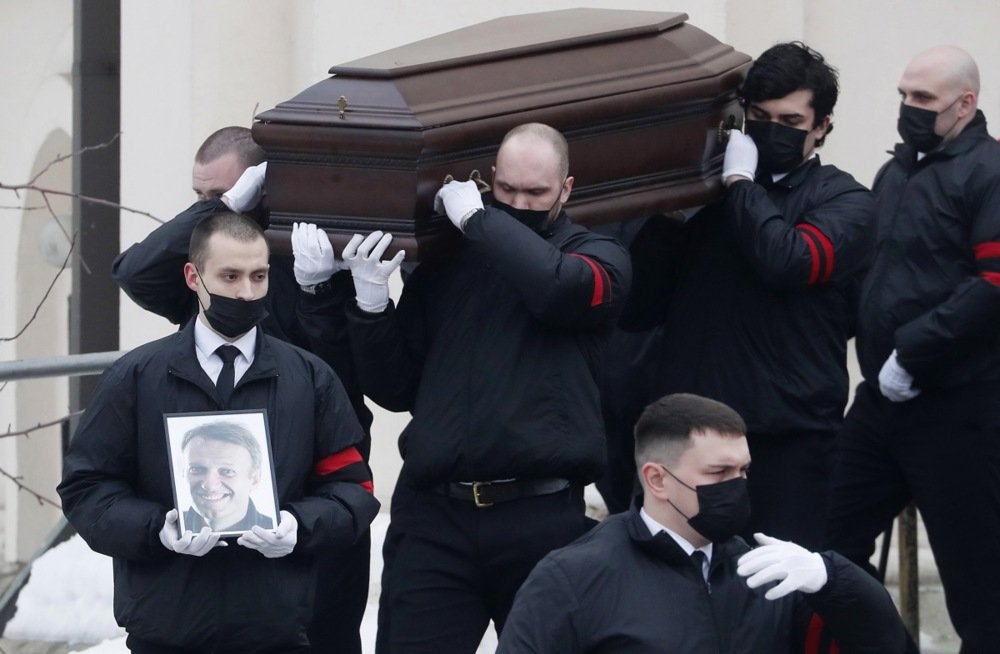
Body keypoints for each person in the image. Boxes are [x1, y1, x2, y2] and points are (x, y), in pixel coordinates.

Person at [340, 122, 631, 653]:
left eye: (536, 193)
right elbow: (398, 389)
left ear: (566, 190)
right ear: (490, 180)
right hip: (435, 518)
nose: (519, 203)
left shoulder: (598, 258)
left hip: (542, 519)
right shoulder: (449, 263)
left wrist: (479, 219)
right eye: (507, 191)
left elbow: (554, 288)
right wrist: (371, 306)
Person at [58, 212, 380, 653]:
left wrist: (298, 526)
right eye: (229, 276)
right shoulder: (136, 377)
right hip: (167, 629)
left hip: (279, 630)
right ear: (193, 276)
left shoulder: (309, 378)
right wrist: (157, 529)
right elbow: (86, 488)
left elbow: (353, 489)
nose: (247, 292)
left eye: (258, 276)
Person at [620, 42, 874, 549]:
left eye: (790, 119)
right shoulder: (710, 198)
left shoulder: (846, 201)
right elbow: (637, 308)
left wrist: (741, 184)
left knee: (780, 597)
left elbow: (787, 260)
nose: (771, 129)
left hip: (787, 441)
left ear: (821, 125)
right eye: (759, 116)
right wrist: (670, 216)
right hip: (689, 437)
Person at [497, 393, 911, 653]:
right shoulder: (573, 577)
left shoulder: (769, 574)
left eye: (743, 471)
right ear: (657, 479)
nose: (736, 485)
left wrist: (832, 579)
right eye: (718, 473)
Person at [824, 45, 1000, 652]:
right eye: (903, 95)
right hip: (880, 405)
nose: (908, 108)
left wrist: (913, 354)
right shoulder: (896, 172)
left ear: (965, 104)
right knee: (830, 545)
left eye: (922, 99)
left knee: (978, 582)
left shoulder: (990, 173)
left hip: (959, 411)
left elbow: (995, 284)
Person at [181, 420, 274, 533]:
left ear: (254, 479)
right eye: (196, 470)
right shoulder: (167, 528)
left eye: (227, 471)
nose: (209, 485)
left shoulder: (278, 534)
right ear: (183, 473)